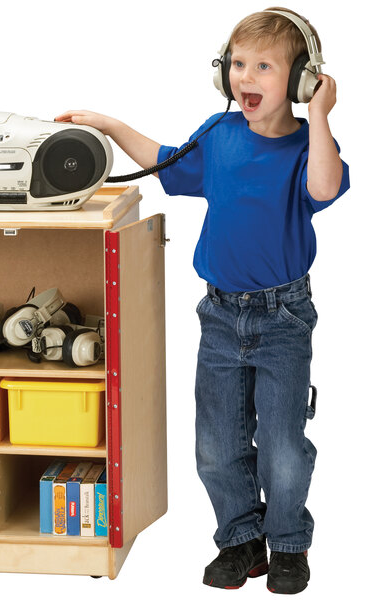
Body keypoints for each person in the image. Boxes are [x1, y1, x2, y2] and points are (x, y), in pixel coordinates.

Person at [56, 6, 349, 595]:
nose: (246, 75)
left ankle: (289, 541)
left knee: (284, 447)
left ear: (301, 79)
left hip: (282, 315)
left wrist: (318, 113)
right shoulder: (219, 137)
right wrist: (111, 125)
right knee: (216, 443)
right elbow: (161, 160)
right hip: (219, 314)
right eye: (238, 63)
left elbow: (324, 187)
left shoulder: (308, 146)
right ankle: (241, 540)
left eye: (265, 66)